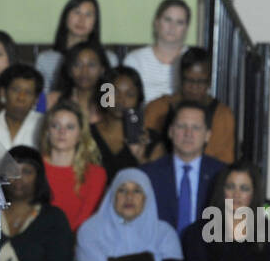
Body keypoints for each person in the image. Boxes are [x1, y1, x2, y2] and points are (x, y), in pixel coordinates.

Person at [140, 101, 225, 233]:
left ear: (207, 135)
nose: (188, 133)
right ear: (170, 132)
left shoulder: (222, 174)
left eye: (196, 128)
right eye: (181, 126)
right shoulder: (148, 174)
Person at [143, 48, 237, 163]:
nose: (194, 88)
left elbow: (223, 163)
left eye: (200, 82)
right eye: (189, 80)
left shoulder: (222, 116)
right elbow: (145, 153)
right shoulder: (158, 109)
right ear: (180, 79)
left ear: (209, 82)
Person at [33, 0, 119, 96]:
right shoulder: (46, 59)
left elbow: (109, 101)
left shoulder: (109, 58)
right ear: (65, 17)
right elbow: (42, 101)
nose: (81, 20)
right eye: (77, 12)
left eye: (88, 15)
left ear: (95, 23)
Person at [39, 100, 107, 232]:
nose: (62, 132)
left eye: (70, 127)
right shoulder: (34, 168)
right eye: (55, 126)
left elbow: (87, 221)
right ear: (47, 131)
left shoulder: (96, 174)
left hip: (79, 245)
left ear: (80, 134)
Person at [0, 64, 45, 177]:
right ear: (3, 93)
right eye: (16, 90)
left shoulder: (44, 125)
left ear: (36, 99)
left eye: (28, 92)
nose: (21, 97)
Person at [122, 0, 191, 103]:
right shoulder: (135, 60)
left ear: (186, 28)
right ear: (156, 23)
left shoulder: (193, 60)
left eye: (179, 22)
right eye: (168, 19)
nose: (172, 27)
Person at [91, 65, 153, 180]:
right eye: (114, 93)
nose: (120, 100)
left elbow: (158, 185)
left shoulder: (150, 139)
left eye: (129, 95)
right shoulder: (86, 135)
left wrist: (141, 158)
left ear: (138, 99)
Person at [45, 43, 107, 125]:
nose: (84, 71)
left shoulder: (110, 101)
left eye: (91, 65)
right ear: (69, 70)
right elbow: (33, 131)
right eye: (77, 65)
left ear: (102, 70)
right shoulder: (49, 100)